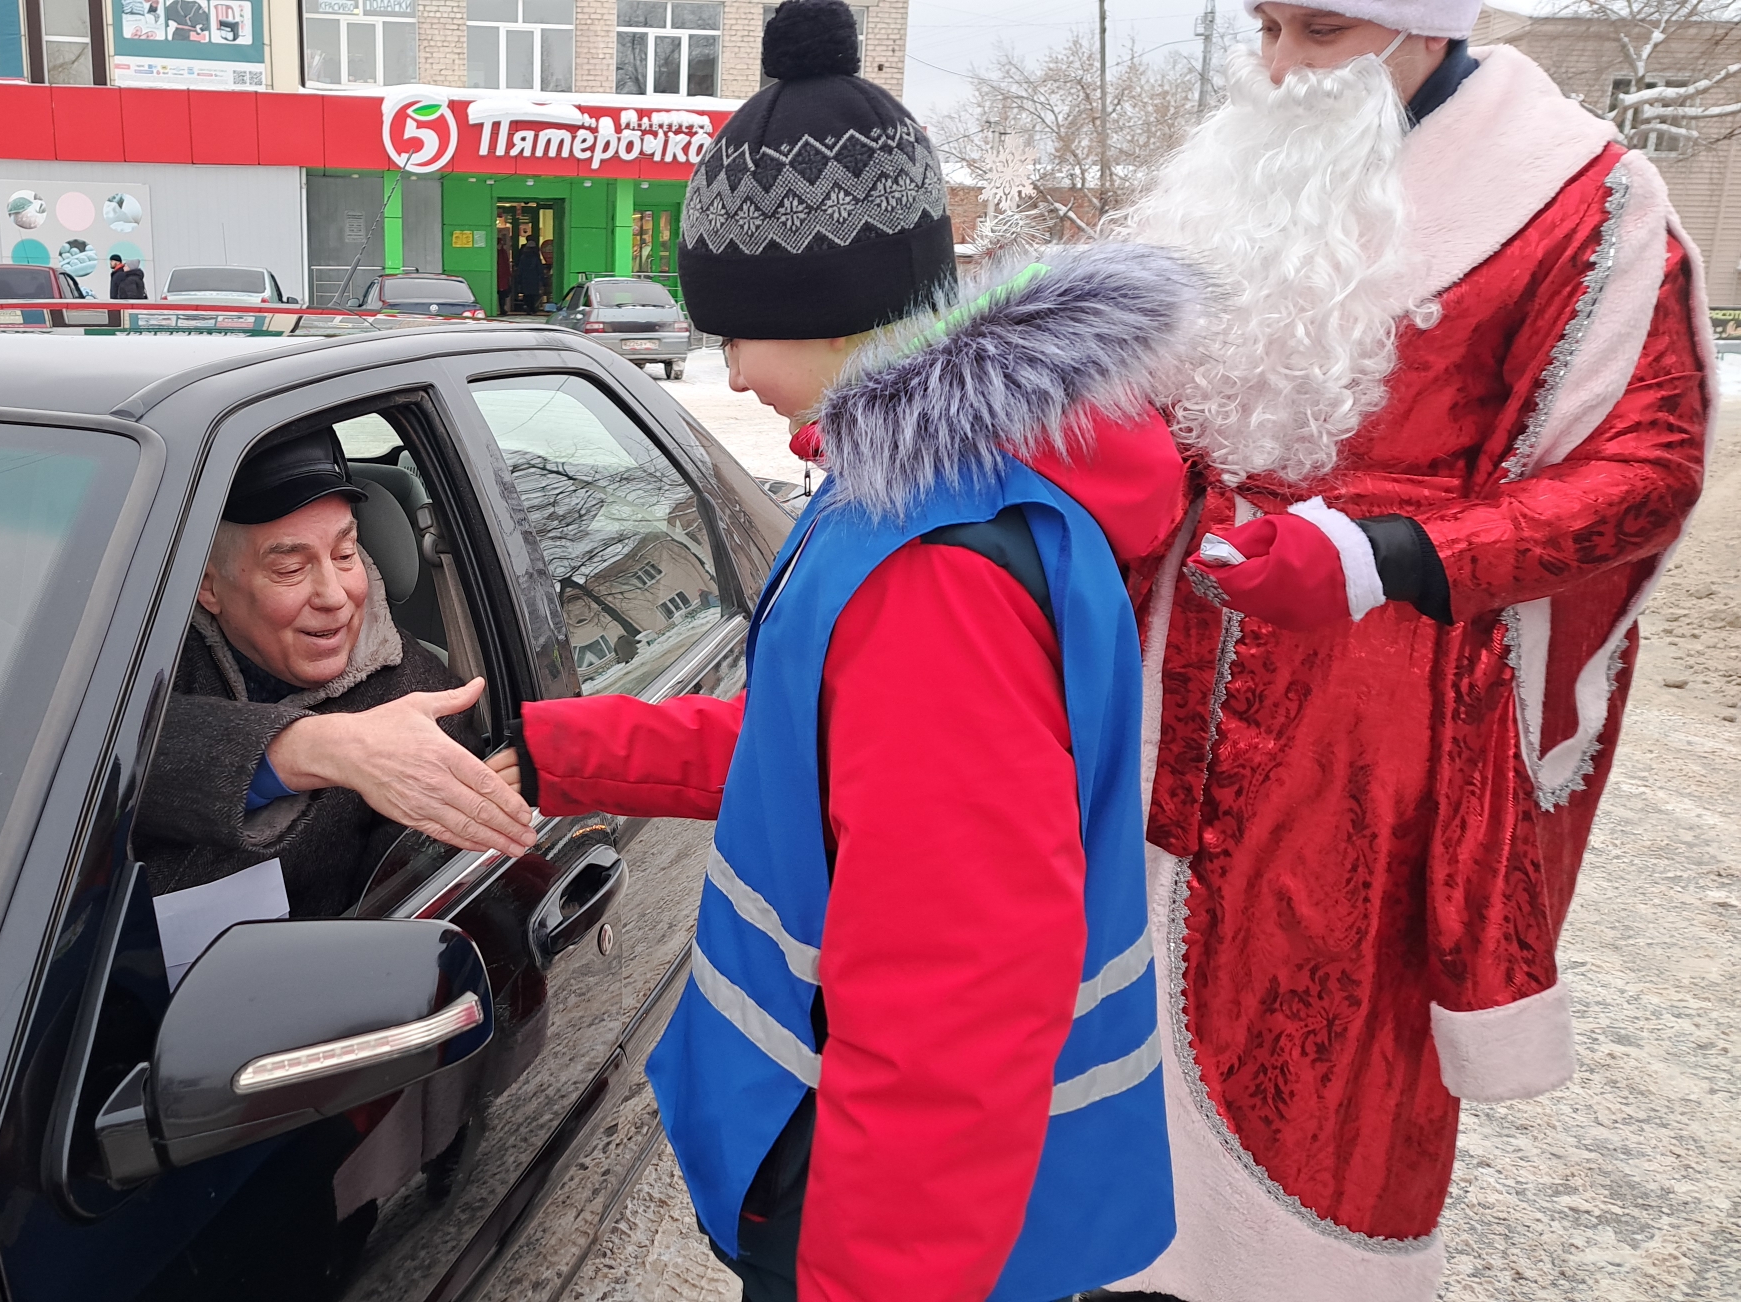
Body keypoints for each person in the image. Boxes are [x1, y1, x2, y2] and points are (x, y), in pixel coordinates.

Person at [488, 3, 1197, 1296]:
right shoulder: (908, 500)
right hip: (852, 1160)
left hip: (886, 1218)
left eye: (732, 328)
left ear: (821, 310)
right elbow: (809, 756)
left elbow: (954, 1011)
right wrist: (544, 747)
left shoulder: (937, 572)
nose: (727, 363)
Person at [1108, 5, 1712, 1299]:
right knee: (1117, 1034)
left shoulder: (1582, 199)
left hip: (1375, 750)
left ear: (1423, 27)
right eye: (1266, 23)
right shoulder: (1240, 159)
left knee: (1325, 1071)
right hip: (1162, 693)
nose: (1275, 65)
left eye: (1315, 29)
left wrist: (1394, 557)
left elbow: (1648, 464)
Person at [131, 429, 534, 918]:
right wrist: (305, 749)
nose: (334, 595)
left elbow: (411, 917)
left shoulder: (423, 705)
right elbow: (71, 758)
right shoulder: (130, 657)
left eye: (346, 555)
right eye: (290, 569)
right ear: (207, 587)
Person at [511, 236, 544, 314]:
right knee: (533, 294)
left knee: (526, 294)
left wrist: (519, 279)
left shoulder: (523, 257)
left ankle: (527, 307)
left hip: (525, 278)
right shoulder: (536, 257)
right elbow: (539, 268)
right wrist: (542, 279)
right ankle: (532, 308)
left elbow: (520, 269)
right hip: (534, 278)